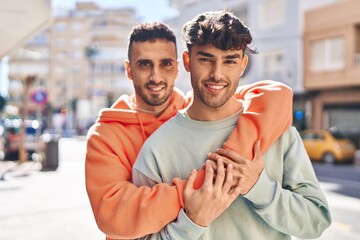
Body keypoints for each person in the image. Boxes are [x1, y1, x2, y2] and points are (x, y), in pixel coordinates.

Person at [132, 10, 331, 240]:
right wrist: (191, 222)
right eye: (206, 59)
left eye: (230, 61)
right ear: (187, 62)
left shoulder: (277, 133)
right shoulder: (156, 150)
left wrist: (259, 188)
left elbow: (316, 222)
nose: (217, 74)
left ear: (243, 64)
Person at [85, 22, 293, 239]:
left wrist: (231, 161)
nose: (156, 77)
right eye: (145, 64)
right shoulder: (105, 135)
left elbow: (274, 96)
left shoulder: (196, 108)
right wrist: (199, 190)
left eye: (165, 64)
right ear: (129, 70)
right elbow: (113, 216)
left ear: (178, 67)